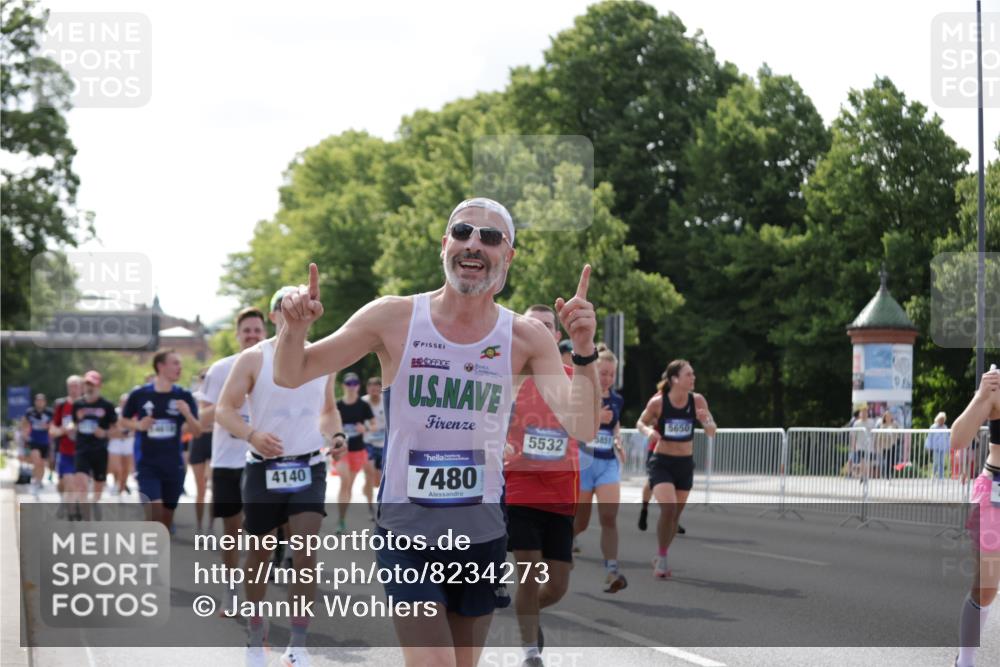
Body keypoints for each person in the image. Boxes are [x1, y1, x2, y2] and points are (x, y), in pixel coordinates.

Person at [272, 197, 600, 667]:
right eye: (463, 232)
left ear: (508, 256)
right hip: (408, 531)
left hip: (482, 532)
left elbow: (582, 423)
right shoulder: (393, 317)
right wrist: (293, 328)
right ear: (444, 245)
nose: (473, 244)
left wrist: (584, 352)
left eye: (489, 238)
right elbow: (292, 372)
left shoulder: (527, 337)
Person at [215, 287, 345, 667]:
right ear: (275, 316)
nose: (293, 312)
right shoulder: (254, 358)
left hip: (308, 465)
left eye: (301, 306)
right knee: (260, 553)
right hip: (263, 468)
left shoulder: (323, 357)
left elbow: (328, 409)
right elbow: (225, 410)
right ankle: (257, 636)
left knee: (304, 550)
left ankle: (299, 643)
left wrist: (335, 434)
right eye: (285, 308)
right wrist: (252, 434)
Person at [504, 304, 584, 667]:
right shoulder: (508, 378)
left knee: (557, 587)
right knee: (530, 568)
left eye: (547, 327)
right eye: (531, 326)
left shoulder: (571, 377)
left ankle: (524, 612)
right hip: (520, 489)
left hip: (561, 493)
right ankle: (530, 651)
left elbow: (589, 422)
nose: (540, 333)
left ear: (555, 336)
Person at [194, 307, 267, 614]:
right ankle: (230, 591)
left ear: (264, 333)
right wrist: (228, 405)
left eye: (257, 331)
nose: (252, 335)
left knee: (262, 535)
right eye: (246, 331)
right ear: (237, 335)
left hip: (262, 461)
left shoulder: (274, 366)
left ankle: (255, 598)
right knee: (232, 531)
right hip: (227, 460)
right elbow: (202, 420)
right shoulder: (221, 369)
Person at [636, 360, 716, 578]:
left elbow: (712, 431)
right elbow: (640, 422)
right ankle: (662, 559)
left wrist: (705, 421)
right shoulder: (658, 402)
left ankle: (661, 553)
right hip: (662, 462)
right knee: (669, 509)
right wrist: (648, 432)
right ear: (674, 379)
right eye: (689, 374)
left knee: (675, 516)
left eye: (693, 374)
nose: (693, 378)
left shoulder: (697, 400)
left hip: (684, 464)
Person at [948, 365, 1000, 667]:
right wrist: (980, 395)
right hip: (995, 491)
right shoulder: (995, 386)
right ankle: (965, 660)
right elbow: (957, 440)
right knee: (987, 585)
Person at [120, 350, 202, 529]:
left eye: (180, 364)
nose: (180, 367)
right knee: (154, 512)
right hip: (147, 465)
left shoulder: (184, 395)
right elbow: (123, 420)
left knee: (165, 518)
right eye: (175, 363)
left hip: (174, 466)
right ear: (160, 366)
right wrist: (139, 425)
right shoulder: (140, 394)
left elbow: (197, 431)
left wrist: (187, 414)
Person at [573, 344, 628, 593]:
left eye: (611, 374)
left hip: (607, 463)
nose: (607, 378)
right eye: (603, 372)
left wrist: (618, 439)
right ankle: (565, 543)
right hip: (584, 462)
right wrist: (596, 416)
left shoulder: (617, 400)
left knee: (609, 518)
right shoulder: (584, 395)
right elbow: (574, 426)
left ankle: (612, 570)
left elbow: (614, 425)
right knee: (581, 522)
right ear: (594, 371)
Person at [72, 371, 118, 516]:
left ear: (99, 386)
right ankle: (85, 517)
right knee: (82, 484)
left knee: (98, 488)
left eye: (92, 384)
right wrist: (73, 427)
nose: (89, 387)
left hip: (100, 450)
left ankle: (92, 504)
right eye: (87, 384)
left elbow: (117, 430)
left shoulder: (107, 405)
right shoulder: (78, 404)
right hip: (82, 449)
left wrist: (104, 433)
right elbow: (73, 425)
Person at [335, 371, 376, 532]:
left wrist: (364, 428)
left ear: (358, 386)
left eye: (354, 384)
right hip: (342, 451)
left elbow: (374, 425)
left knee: (349, 485)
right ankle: (340, 521)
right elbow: (327, 423)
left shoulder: (363, 405)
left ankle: (342, 518)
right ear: (343, 386)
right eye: (348, 384)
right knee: (344, 481)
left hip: (358, 450)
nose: (351, 387)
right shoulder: (338, 405)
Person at [49, 375, 83, 518]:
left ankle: (72, 511)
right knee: (64, 483)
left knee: (75, 484)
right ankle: (69, 504)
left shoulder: (88, 405)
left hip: (83, 452)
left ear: (81, 388)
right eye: (71, 386)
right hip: (65, 451)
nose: (74, 389)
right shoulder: (61, 406)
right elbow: (52, 430)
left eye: (76, 386)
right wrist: (63, 430)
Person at [187, 367, 213, 531]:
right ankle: (199, 526)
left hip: (214, 442)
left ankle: (210, 526)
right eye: (203, 377)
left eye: (209, 377)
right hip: (197, 443)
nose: (205, 379)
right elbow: (191, 426)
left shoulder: (221, 396)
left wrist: (202, 425)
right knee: (200, 488)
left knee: (214, 488)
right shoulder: (193, 398)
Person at [362, 376, 387, 516]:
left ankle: (367, 488)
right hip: (367, 444)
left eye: (377, 385)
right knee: (369, 474)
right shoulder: (363, 402)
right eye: (371, 385)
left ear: (381, 388)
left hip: (383, 444)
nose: (374, 388)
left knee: (377, 481)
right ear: (368, 389)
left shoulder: (387, 400)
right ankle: (371, 508)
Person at [21, 393, 53, 496]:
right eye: (38, 400)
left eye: (42, 400)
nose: (40, 402)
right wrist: (24, 434)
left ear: (45, 402)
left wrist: (48, 426)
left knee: (42, 464)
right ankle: (34, 482)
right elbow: (24, 422)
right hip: (33, 440)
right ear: (35, 402)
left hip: (45, 441)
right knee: (36, 461)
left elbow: (55, 424)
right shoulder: (30, 412)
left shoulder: (49, 412)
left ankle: (39, 481)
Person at [107, 393, 135, 497]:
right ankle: (116, 484)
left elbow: (135, 428)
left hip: (128, 443)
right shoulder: (115, 412)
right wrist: (120, 433)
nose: (125, 404)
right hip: (116, 442)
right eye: (123, 402)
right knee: (116, 467)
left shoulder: (134, 413)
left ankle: (121, 489)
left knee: (126, 468)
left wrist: (127, 432)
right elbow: (111, 428)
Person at [925, 412, 950, 480]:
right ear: (938, 419)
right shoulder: (933, 427)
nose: (942, 421)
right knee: (936, 462)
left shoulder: (945, 427)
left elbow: (947, 438)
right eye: (941, 419)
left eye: (943, 419)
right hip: (936, 447)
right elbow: (929, 437)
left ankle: (941, 476)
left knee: (941, 462)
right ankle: (933, 474)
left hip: (942, 447)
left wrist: (948, 447)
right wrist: (928, 446)